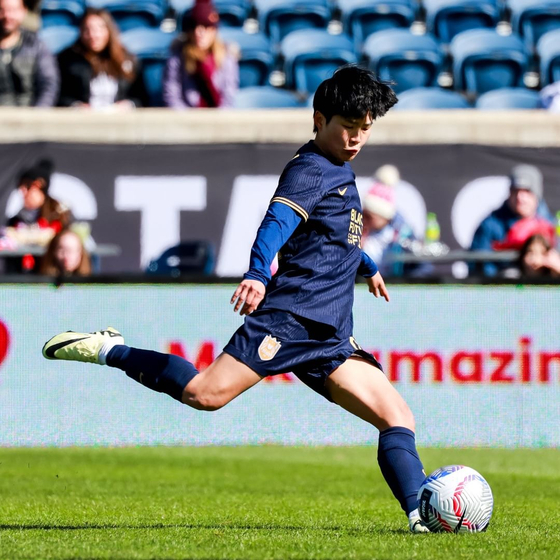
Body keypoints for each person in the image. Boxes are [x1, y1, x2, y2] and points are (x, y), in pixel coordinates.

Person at [42, 66, 431, 533]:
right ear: (319, 118)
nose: (355, 139)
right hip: (289, 320)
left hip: (329, 336)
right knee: (204, 395)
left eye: (364, 129)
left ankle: (421, 517)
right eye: (346, 128)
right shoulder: (310, 169)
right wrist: (256, 275)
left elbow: (334, 239)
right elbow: (275, 225)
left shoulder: (339, 170)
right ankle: (110, 348)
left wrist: (367, 268)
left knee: (397, 415)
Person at [469, 164, 555, 277]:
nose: (520, 197)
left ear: (536, 194)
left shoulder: (551, 226)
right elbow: (479, 265)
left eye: (526, 191)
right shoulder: (490, 225)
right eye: (515, 191)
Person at [57, 8, 148, 109]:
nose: (93, 35)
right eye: (87, 29)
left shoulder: (128, 59)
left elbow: (141, 97)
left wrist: (128, 104)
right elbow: (59, 96)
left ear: (109, 30)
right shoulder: (67, 60)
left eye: (99, 29)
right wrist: (77, 106)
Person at [162, 0, 238, 109]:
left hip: (219, 121)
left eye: (206, 26)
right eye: (194, 26)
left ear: (214, 30)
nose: (199, 32)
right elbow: (172, 97)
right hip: (186, 120)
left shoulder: (226, 57)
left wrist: (218, 121)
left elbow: (229, 98)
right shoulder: (178, 57)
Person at [5, 158, 72, 273]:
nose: (23, 191)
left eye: (28, 186)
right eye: (21, 187)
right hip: (21, 281)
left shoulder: (59, 217)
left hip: (50, 279)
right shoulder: (15, 220)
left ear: (41, 187)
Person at [361, 165, 428, 278]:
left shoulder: (403, 235)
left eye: (369, 216)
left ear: (383, 217)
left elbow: (423, 266)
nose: (364, 219)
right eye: (364, 214)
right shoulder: (356, 232)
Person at [0, 0, 59, 106]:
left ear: (23, 11)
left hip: (29, 115)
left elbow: (48, 84)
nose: (7, 15)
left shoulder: (36, 45)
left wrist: (37, 115)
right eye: (1, 10)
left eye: (13, 10)